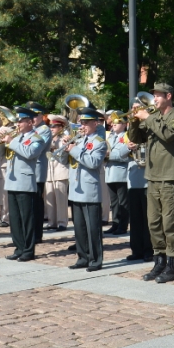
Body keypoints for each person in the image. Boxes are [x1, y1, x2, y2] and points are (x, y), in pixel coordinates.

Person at [126, 82, 174, 284]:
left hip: (170, 177)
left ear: (169, 96)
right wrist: (134, 120)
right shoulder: (153, 116)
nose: (155, 99)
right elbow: (137, 138)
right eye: (154, 96)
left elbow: (168, 135)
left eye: (159, 96)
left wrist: (148, 117)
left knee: (170, 223)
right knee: (153, 223)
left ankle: (172, 265)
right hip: (152, 177)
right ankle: (159, 261)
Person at [2, 106, 47, 262]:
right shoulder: (17, 137)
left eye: (20, 121)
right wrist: (2, 142)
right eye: (18, 121)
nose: (17, 124)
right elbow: (4, 155)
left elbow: (30, 153)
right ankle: (18, 247)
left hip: (25, 182)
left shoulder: (37, 138)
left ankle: (28, 250)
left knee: (26, 218)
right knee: (15, 219)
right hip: (12, 181)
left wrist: (11, 141)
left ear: (29, 122)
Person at [67, 107, 108, 271]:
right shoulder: (78, 140)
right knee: (79, 227)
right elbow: (70, 161)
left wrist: (74, 150)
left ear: (95, 123)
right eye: (81, 122)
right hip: (76, 188)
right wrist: (66, 149)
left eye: (85, 123)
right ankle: (82, 257)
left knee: (93, 228)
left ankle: (96, 260)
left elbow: (93, 163)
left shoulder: (100, 142)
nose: (81, 126)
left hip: (89, 189)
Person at [26, 101, 51, 244]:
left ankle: (37, 233)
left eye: (36, 115)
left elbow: (35, 149)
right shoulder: (31, 130)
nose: (33, 118)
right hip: (27, 170)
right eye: (31, 115)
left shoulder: (44, 130)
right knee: (29, 203)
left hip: (37, 170)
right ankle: (30, 232)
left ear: (42, 116)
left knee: (36, 203)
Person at [126, 140, 153, 261]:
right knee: (135, 219)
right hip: (133, 181)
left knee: (148, 218)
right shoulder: (128, 137)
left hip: (147, 181)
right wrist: (127, 148)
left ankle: (149, 249)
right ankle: (136, 249)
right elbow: (115, 155)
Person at [105, 116, 131, 234]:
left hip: (121, 173)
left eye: (118, 122)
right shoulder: (110, 137)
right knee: (114, 201)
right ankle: (115, 223)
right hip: (110, 172)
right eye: (113, 122)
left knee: (123, 202)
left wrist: (108, 156)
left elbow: (124, 155)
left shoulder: (127, 136)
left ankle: (123, 225)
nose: (114, 124)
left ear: (125, 124)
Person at [44, 114, 70, 231]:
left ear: (61, 127)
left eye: (54, 126)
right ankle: (52, 221)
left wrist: (56, 141)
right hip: (49, 171)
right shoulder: (47, 138)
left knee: (61, 199)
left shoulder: (65, 137)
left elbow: (62, 153)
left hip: (61, 170)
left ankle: (62, 222)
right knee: (49, 197)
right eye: (51, 126)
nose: (52, 128)